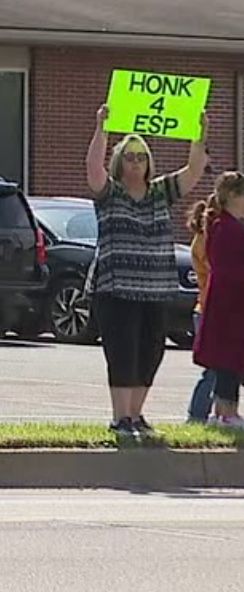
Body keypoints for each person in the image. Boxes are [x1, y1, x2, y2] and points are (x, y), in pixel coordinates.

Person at [85, 106, 208, 440]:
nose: (136, 161)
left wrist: (199, 133)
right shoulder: (110, 193)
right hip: (115, 288)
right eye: (130, 156)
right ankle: (119, 417)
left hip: (156, 288)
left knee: (151, 351)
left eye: (141, 156)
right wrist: (102, 128)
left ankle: (136, 414)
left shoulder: (160, 192)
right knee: (122, 350)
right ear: (120, 161)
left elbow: (194, 170)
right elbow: (93, 169)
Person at [194, 173, 244, 428]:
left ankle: (223, 412)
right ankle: (226, 413)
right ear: (234, 196)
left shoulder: (224, 225)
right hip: (230, 305)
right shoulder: (228, 228)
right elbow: (230, 270)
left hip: (227, 304)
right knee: (229, 362)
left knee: (230, 362)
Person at [187, 199, 218, 423]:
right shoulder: (205, 241)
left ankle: (221, 413)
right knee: (214, 370)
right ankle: (197, 416)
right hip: (210, 311)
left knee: (220, 370)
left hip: (208, 309)